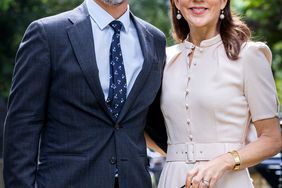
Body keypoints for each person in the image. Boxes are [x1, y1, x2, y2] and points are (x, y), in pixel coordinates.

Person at [3, 0, 167, 187]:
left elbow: (157, 122)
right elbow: (23, 124)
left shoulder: (155, 40)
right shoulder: (47, 34)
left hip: (134, 180)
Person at [156, 0, 282, 187]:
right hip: (172, 180)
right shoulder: (162, 59)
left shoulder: (249, 56)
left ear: (224, 2)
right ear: (176, 2)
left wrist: (224, 161)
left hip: (229, 181)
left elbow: (272, 139)